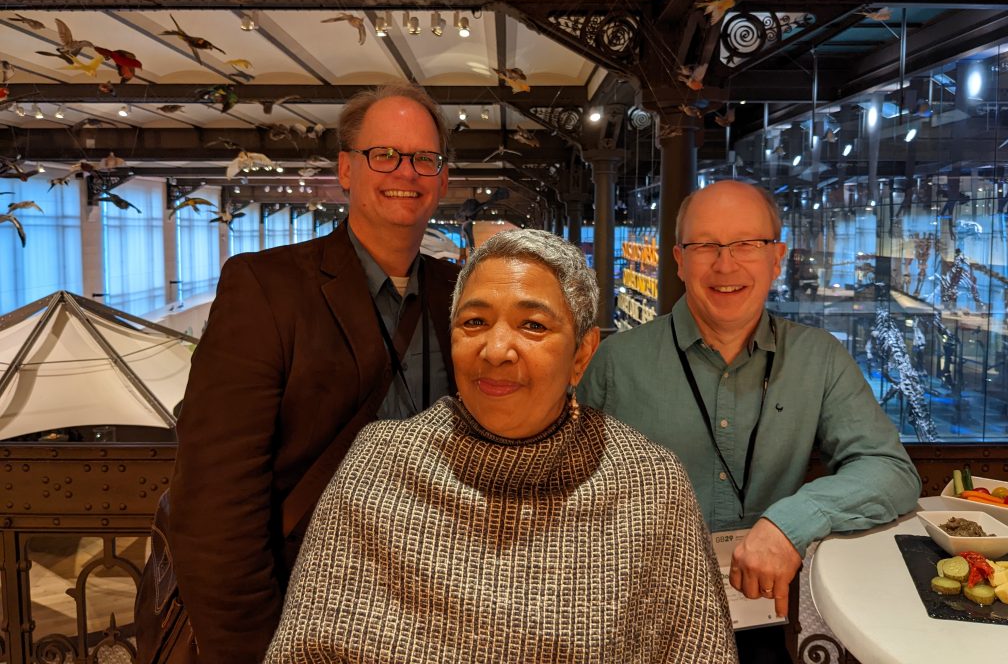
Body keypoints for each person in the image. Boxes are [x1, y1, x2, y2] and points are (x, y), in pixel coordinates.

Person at [264, 230, 738, 663]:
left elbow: (698, 650)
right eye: (474, 322)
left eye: (532, 325)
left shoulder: (647, 483)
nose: (495, 350)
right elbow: (303, 650)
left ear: (582, 354)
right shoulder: (381, 462)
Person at [141, 83, 460, 663]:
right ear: (346, 170)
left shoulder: (455, 294)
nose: (405, 172)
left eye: (424, 159)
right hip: (302, 612)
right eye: (383, 154)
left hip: (430, 611)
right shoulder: (266, 287)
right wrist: (251, 649)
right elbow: (217, 499)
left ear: (441, 179)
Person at [579, 180, 920, 664]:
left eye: (747, 244)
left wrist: (789, 525)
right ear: (678, 258)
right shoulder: (616, 362)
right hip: (642, 622)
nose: (726, 264)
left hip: (768, 614)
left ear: (776, 256)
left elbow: (889, 469)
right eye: (706, 246)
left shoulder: (818, 358)